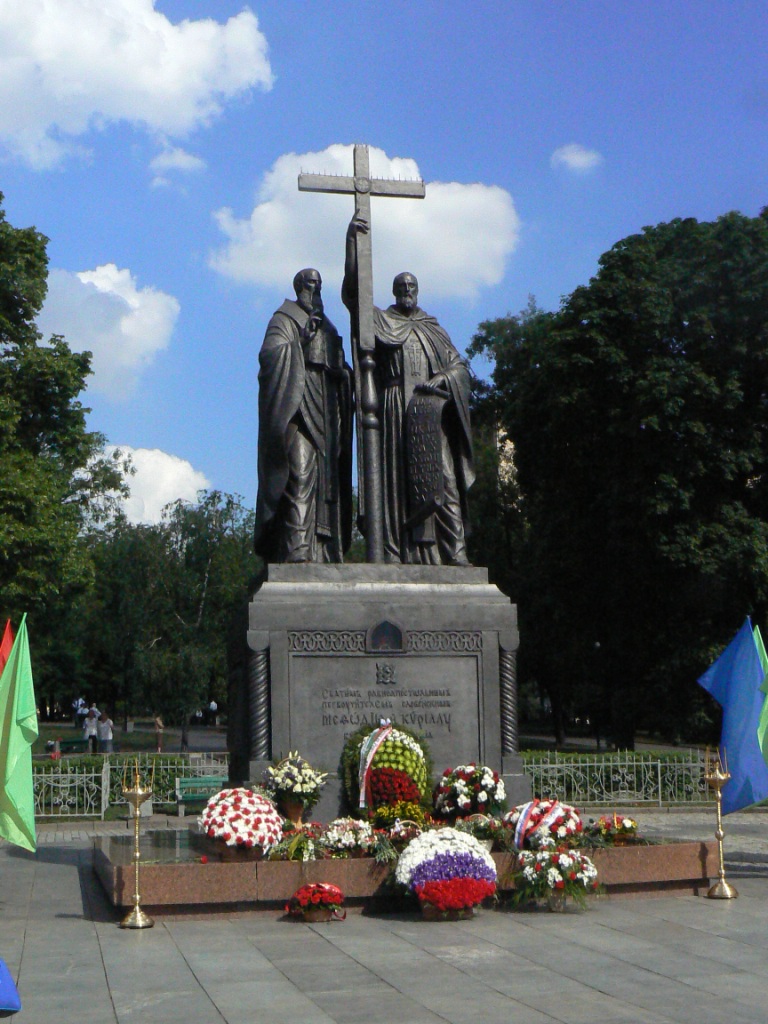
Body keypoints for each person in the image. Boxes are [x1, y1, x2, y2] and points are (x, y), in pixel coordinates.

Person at [343, 214, 475, 564]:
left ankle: (454, 553)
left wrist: (443, 378)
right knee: (396, 484)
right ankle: (399, 554)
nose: (406, 293)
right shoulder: (384, 321)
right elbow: (354, 299)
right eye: (400, 288)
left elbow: (460, 366)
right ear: (393, 293)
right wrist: (352, 245)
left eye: (411, 288)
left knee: (443, 479)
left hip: (429, 413)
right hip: (394, 409)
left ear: (418, 290)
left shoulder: (433, 328)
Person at [254, 268, 354, 563]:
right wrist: (300, 340)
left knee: (326, 482)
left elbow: (340, 368)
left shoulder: (329, 326)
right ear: (299, 286)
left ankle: (322, 552)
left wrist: (342, 373)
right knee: (299, 472)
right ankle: (296, 549)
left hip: (326, 409)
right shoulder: (283, 319)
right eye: (311, 283)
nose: (316, 289)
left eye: (320, 284)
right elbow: (270, 357)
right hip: (296, 408)